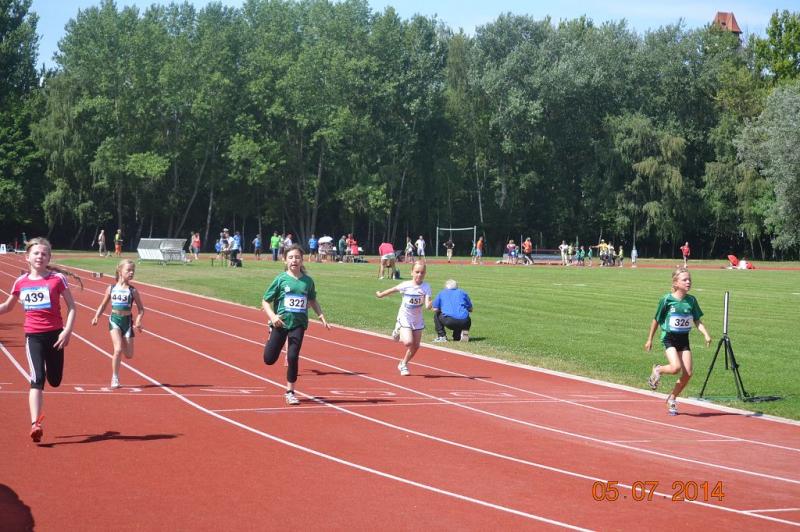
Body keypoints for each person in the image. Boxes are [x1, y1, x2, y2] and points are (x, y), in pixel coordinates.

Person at [0, 238, 78, 442]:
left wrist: (67, 331)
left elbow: (72, 307)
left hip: (55, 335)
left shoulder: (57, 279)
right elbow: (7, 306)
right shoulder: (21, 281)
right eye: (36, 253)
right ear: (27, 257)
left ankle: (37, 418)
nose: (40, 257)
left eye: (44, 254)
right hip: (33, 336)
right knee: (37, 379)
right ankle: (35, 423)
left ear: (49, 258)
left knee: (55, 380)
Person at [262, 245, 330, 405]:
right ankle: (271, 331)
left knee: (292, 357)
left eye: (297, 257)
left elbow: (312, 300)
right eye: (291, 257)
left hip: (298, 324)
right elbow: (265, 301)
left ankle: (290, 392)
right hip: (280, 323)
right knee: (269, 359)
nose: (294, 260)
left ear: (302, 260)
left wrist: (321, 316)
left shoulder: (308, 281)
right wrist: (272, 316)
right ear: (285, 260)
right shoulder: (280, 279)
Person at [645, 266, 712, 416]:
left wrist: (706, 334)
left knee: (687, 373)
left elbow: (697, 320)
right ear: (676, 283)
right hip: (669, 337)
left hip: (684, 339)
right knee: (675, 368)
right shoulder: (666, 300)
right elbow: (656, 320)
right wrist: (650, 339)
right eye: (685, 280)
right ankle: (658, 369)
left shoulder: (691, 300)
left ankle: (672, 398)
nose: (688, 282)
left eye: (689, 280)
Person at [91, 259, 145, 389]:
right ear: (120, 271)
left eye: (133, 271)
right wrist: (96, 316)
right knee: (118, 349)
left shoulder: (133, 291)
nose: (131, 273)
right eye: (128, 270)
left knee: (129, 355)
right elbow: (103, 304)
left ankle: (124, 339)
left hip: (127, 322)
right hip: (114, 319)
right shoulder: (111, 288)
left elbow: (141, 309)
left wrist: (138, 320)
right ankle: (115, 377)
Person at [375, 261, 432, 376]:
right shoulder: (406, 285)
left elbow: (427, 304)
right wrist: (381, 294)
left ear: (425, 274)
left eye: (422, 272)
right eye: (417, 272)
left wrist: (432, 304)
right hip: (405, 317)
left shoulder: (426, 287)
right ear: (412, 272)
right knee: (408, 342)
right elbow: (393, 290)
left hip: (417, 319)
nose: (419, 275)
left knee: (416, 346)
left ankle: (403, 364)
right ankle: (398, 329)